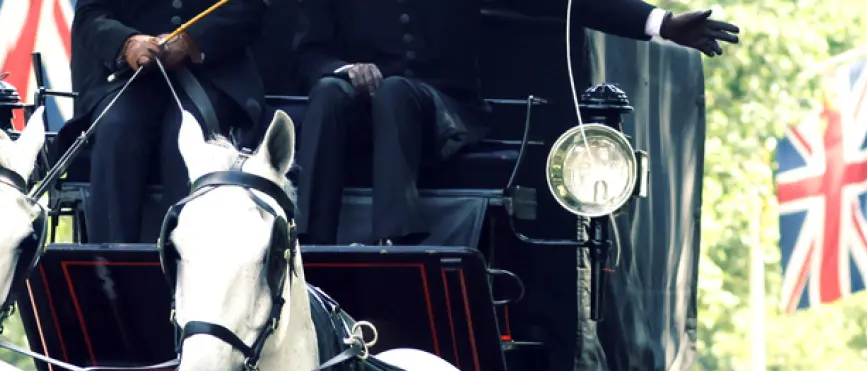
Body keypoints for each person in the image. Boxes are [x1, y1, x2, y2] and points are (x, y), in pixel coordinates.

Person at [293, 1, 738, 244]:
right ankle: (308, 243)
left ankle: (395, 245)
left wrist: (663, 23)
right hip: (359, 111)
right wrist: (343, 69)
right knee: (329, 91)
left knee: (395, 91)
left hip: (445, 111)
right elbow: (311, 51)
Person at [72, 0, 270, 242]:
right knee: (117, 129)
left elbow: (247, 8)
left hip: (212, 76)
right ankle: (107, 267)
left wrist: (191, 41)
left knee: (187, 135)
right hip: (127, 77)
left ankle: (185, 264)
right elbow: (90, 16)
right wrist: (127, 44)